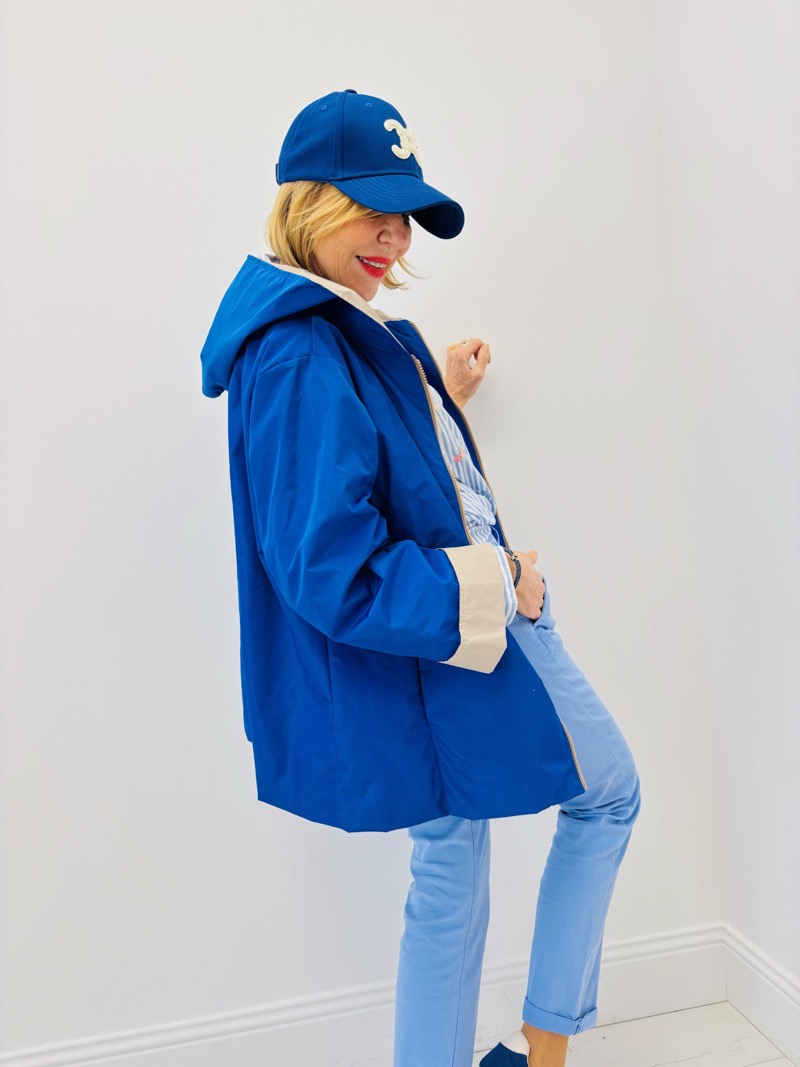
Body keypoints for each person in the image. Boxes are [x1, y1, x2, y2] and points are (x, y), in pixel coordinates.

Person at [200, 89, 641, 1067]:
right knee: (607, 792)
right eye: (371, 208)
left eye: (404, 215)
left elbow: (373, 469)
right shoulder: (299, 351)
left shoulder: (335, 333)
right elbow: (332, 568)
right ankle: (545, 1046)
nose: (393, 236)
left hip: (433, 639)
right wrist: (504, 583)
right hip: (461, 624)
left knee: (449, 860)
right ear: (308, 202)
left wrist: (440, 390)